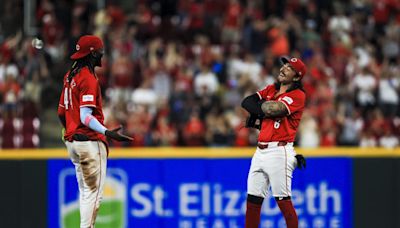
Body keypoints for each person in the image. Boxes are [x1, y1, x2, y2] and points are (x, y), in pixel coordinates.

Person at [57, 35, 133, 228]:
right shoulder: (88, 78)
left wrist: (69, 132)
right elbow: (85, 117)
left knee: (85, 192)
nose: (102, 55)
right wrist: (108, 133)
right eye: (99, 52)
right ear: (91, 54)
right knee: (93, 195)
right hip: (89, 142)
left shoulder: (70, 75)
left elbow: (61, 112)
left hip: (74, 142)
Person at [241, 57, 307, 228]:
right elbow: (246, 102)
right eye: (284, 65)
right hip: (260, 151)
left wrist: (261, 109)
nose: (284, 68)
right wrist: (263, 112)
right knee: (252, 202)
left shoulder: (298, 95)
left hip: (280, 152)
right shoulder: (272, 89)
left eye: (290, 67)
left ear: (297, 77)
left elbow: (272, 109)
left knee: (283, 203)